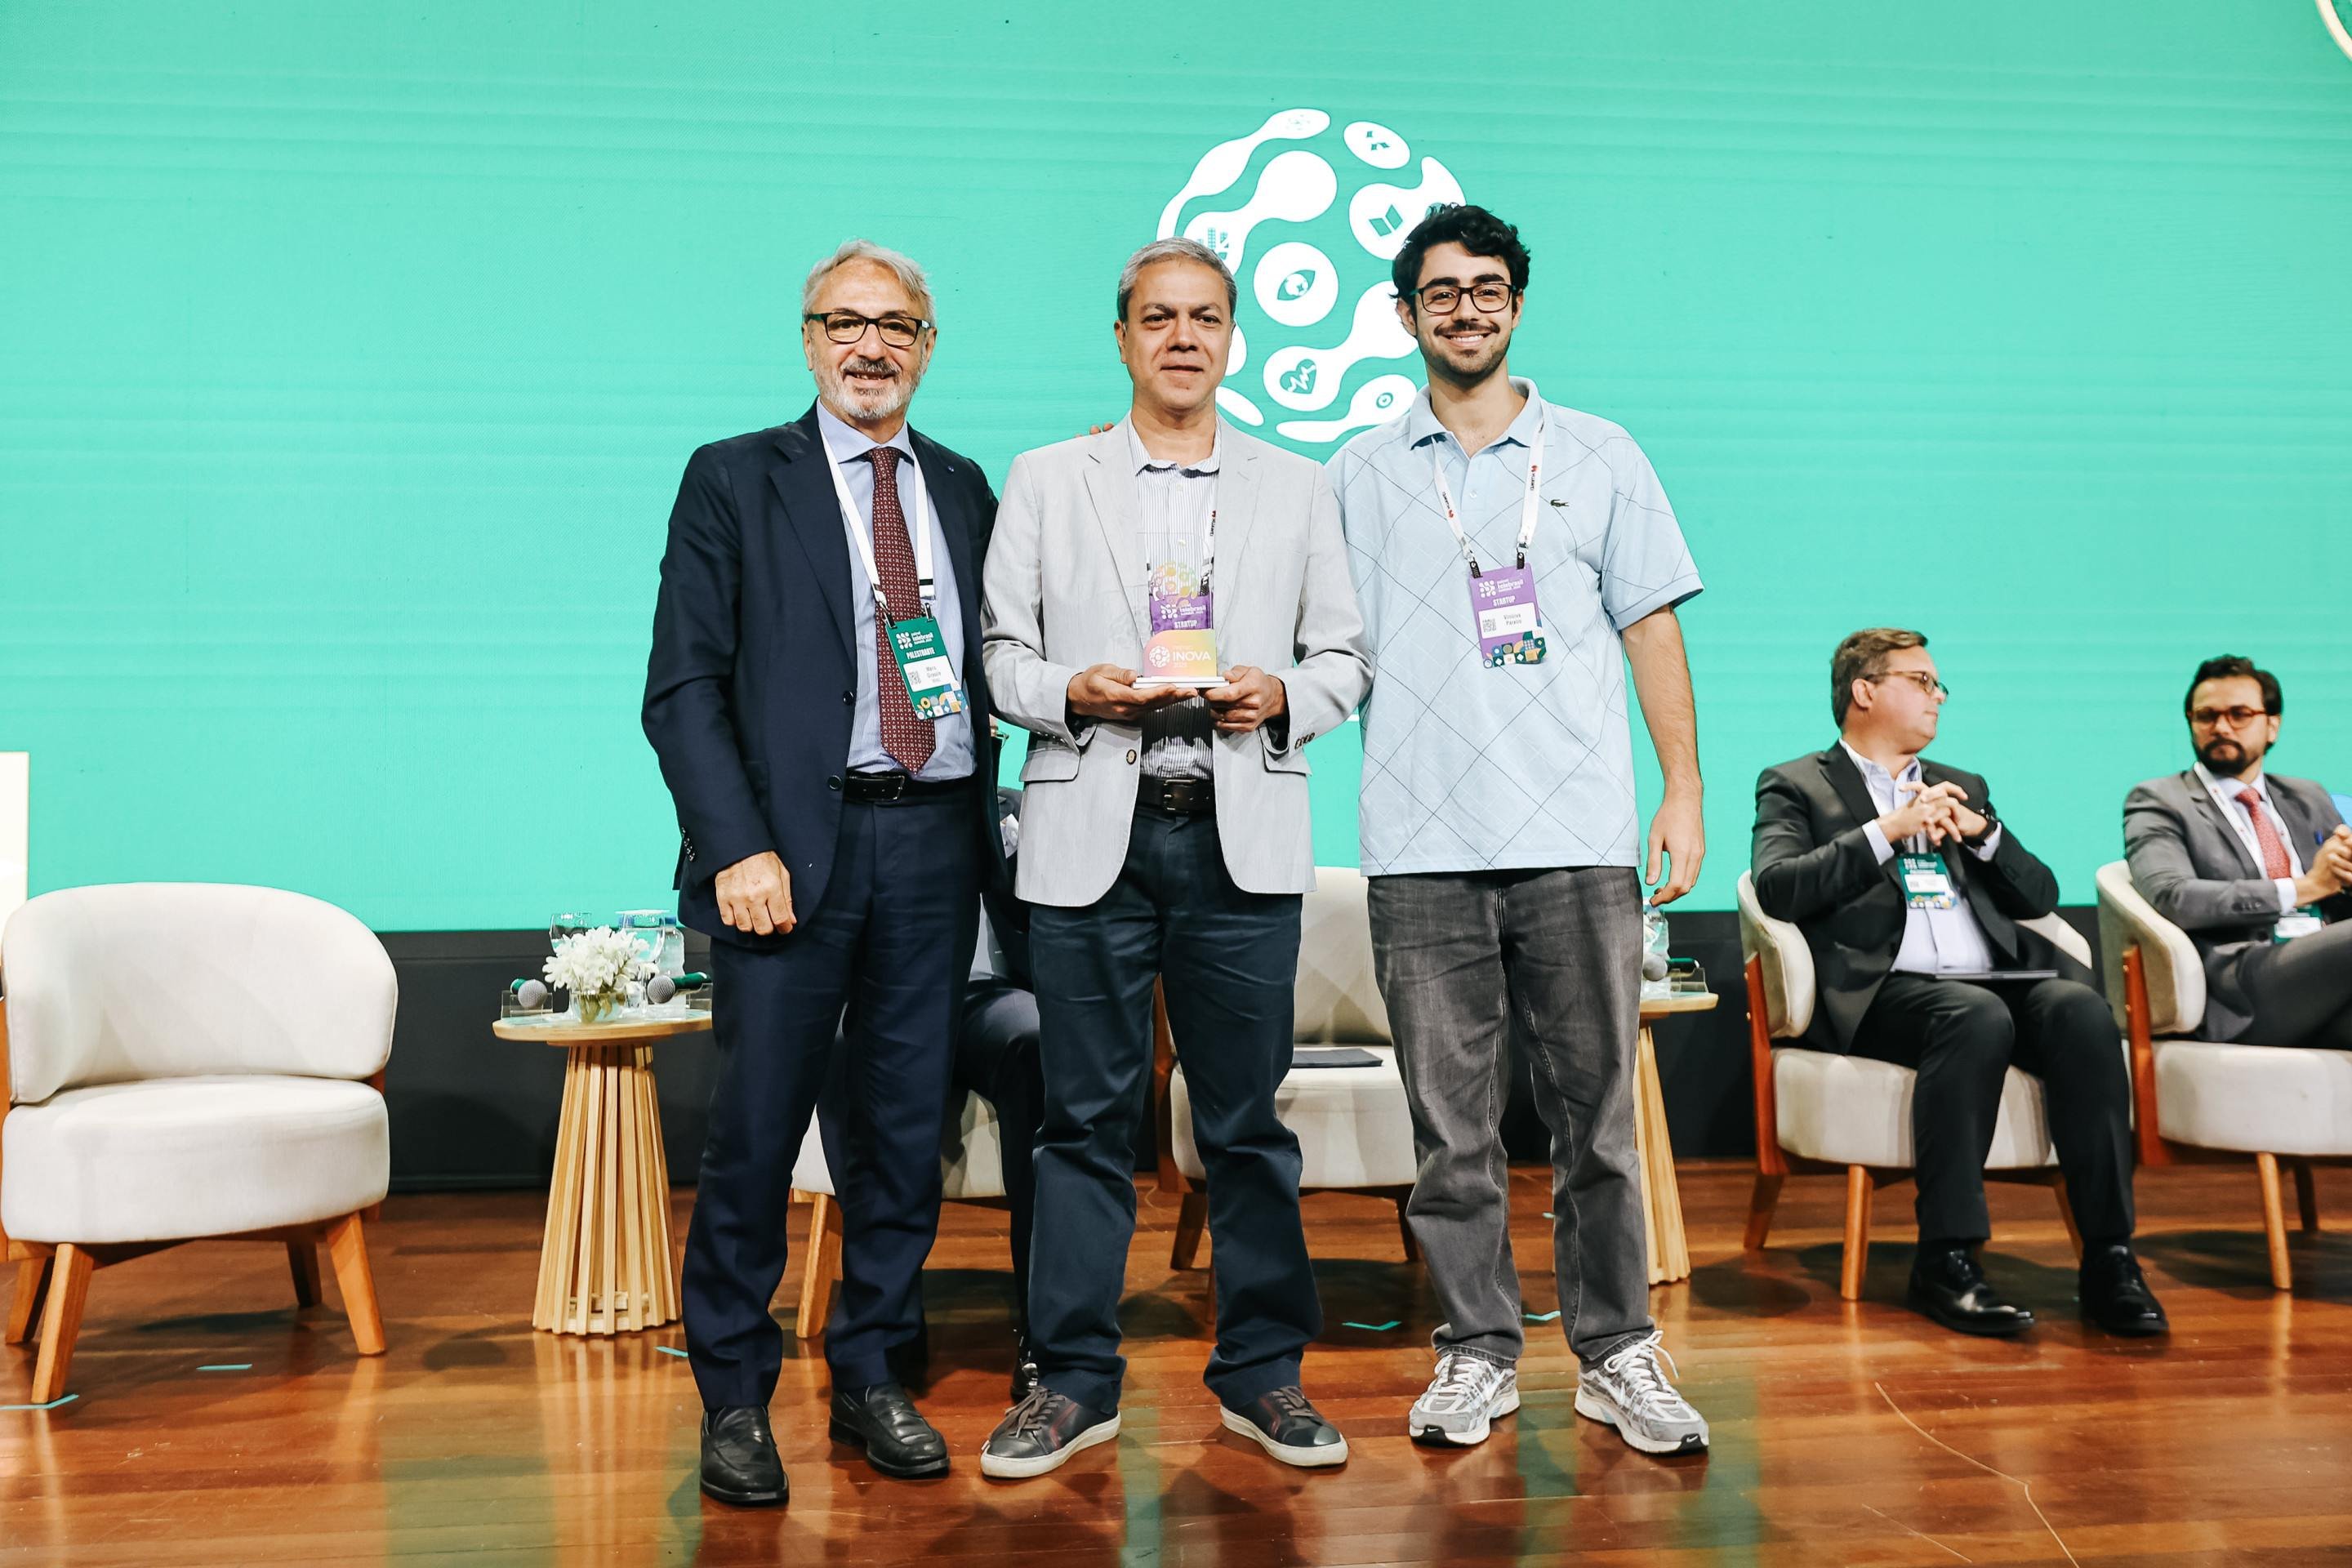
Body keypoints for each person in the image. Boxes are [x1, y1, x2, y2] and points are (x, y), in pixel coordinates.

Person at [977, 236, 1370, 1479]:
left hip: (1237, 842)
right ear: (1123, 336)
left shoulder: (1296, 486)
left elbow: (1348, 661)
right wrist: (1073, 693)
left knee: (1246, 1125)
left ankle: (1265, 1377)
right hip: (1093, 833)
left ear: (1234, 336)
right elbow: (997, 660)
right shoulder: (1047, 478)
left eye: (1205, 317)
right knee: (1083, 1123)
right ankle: (1074, 1384)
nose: (1183, 338)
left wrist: (1284, 694)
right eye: (1159, 318)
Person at [1328, 203, 1710, 1457]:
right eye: (1441, 292)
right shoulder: (1359, 473)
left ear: (1517, 306)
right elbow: (1325, 649)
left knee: (1596, 1117)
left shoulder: (1600, 453)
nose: (1467, 309)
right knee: (1453, 1134)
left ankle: (1617, 1355)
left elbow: (1653, 624)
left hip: (1580, 841)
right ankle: (1477, 1353)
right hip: (1420, 849)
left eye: (1488, 288)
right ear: (1406, 315)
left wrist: (1683, 788)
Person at [642, 239, 1002, 1508]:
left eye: (896, 326)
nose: (870, 346)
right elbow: (683, 687)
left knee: (905, 1134)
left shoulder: (962, 487)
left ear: (927, 345)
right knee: (754, 1137)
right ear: (807, 340)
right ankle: (736, 1399)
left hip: (934, 842)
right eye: (844, 323)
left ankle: (872, 1375)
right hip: (788, 854)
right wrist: (739, 844)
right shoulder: (737, 478)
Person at [1751, 628, 2165, 1339]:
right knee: (1973, 1017)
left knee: (2080, 1011)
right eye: (1922, 680)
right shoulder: (1796, 783)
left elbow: (2039, 895)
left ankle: (2110, 1257)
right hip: (1883, 991)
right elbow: (1779, 888)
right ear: (1865, 691)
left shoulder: (1963, 784)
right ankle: (1947, 1259)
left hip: (1984, 976)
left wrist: (1984, 833)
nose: (1938, 696)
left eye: (1939, 683)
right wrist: (1887, 829)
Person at [2123, 655, 2352, 1048]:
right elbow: (2173, 897)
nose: (2221, 727)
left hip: (2323, 969)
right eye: (2206, 716)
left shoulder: (2306, 796)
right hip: (2240, 983)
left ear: (2272, 726)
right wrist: (2304, 888)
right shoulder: (2160, 800)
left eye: (2239, 714)